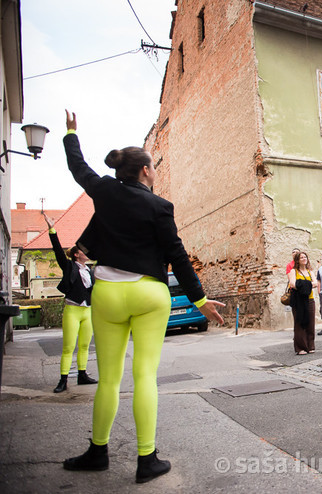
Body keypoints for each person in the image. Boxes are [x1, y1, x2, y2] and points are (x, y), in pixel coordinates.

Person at [61, 111, 224, 483]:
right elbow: (177, 255)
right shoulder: (160, 206)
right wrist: (199, 301)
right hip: (150, 294)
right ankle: (146, 460)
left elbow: (78, 166)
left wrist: (71, 133)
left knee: (109, 380)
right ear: (145, 171)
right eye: (153, 165)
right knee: (145, 376)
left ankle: (97, 452)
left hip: (108, 294)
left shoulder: (103, 190)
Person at [43, 213, 98, 393]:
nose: (86, 253)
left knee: (84, 346)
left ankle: (82, 375)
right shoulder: (69, 266)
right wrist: (52, 230)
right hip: (72, 310)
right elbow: (58, 251)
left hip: (87, 311)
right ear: (76, 254)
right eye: (83, 251)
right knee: (68, 347)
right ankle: (63, 380)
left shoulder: (89, 271)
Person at [289, 251, 318, 355]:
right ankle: (300, 347)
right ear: (297, 260)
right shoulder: (293, 271)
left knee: (310, 323)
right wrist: (307, 285)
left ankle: (310, 346)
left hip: (310, 300)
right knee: (299, 323)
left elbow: (316, 283)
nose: (304, 259)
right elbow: (293, 284)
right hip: (298, 301)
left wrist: (302, 284)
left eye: (305, 257)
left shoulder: (310, 272)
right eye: (301, 257)